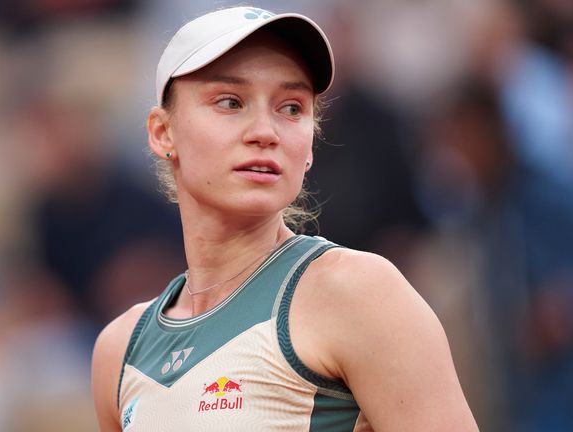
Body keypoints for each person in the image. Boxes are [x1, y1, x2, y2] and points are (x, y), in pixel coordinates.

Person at [91, 6, 478, 431]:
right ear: (163, 132)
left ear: (310, 146)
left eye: (292, 108)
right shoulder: (120, 350)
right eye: (230, 101)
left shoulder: (358, 293)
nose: (266, 130)